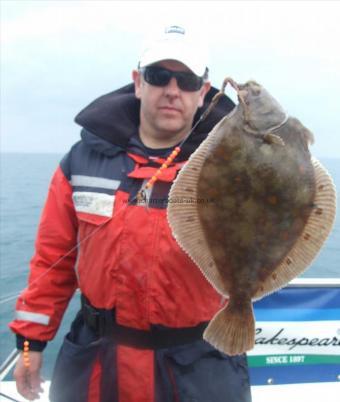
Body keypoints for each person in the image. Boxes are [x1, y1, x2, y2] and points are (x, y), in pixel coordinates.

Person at [9, 25, 252, 402]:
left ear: (203, 92)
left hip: (201, 368)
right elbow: (51, 263)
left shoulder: (233, 169)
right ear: (138, 82)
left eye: (187, 80)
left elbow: (261, 243)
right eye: (159, 76)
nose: (172, 90)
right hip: (96, 364)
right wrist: (29, 347)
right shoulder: (81, 161)